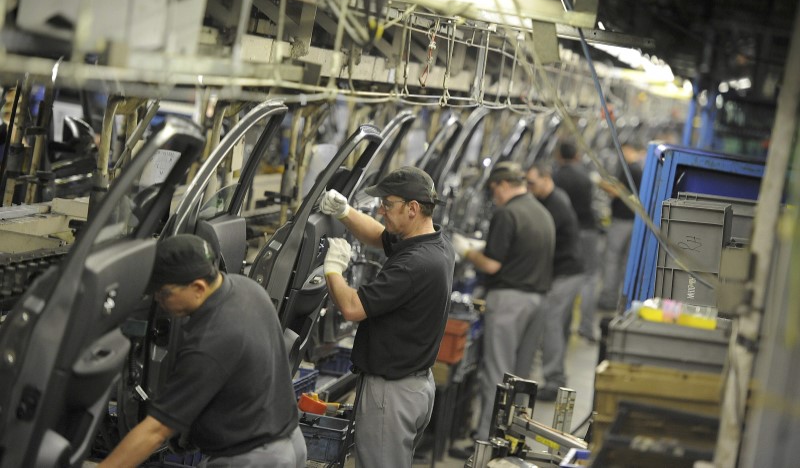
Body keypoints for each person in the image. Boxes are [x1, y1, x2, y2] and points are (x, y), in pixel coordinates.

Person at [99, 234, 305, 468]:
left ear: (197, 287)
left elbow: (154, 431)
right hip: (289, 440)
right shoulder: (247, 289)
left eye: (163, 293)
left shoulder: (211, 341)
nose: (158, 300)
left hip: (252, 458)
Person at [319, 166, 455, 468]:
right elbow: (378, 236)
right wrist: (344, 211)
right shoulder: (437, 244)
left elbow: (353, 307)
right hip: (415, 386)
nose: (381, 210)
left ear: (412, 208)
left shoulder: (414, 265)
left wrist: (333, 269)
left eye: (388, 204)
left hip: (392, 395)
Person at [451, 161, 555, 440]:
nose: (493, 196)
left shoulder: (507, 213)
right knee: (521, 379)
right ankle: (512, 440)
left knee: (496, 376)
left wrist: (467, 251)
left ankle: (486, 441)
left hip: (510, 302)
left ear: (504, 185)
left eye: (493, 189)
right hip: (538, 302)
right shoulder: (541, 212)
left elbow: (493, 265)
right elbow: (521, 251)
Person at [523, 162, 584, 401]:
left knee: (551, 324)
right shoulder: (552, 198)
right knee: (558, 325)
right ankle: (556, 376)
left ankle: (554, 379)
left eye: (532, 183)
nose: (529, 188)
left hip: (566, 273)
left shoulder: (555, 205)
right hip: (568, 271)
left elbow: (541, 240)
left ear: (546, 179)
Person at [553, 139, 601, 342]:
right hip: (588, 231)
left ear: (559, 156)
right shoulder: (586, 176)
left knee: (565, 279)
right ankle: (586, 328)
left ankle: (562, 328)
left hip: (567, 235)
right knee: (589, 279)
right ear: (576, 156)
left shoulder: (556, 177)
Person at [597, 140, 645, 311]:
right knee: (624, 262)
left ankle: (608, 299)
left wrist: (598, 182)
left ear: (627, 149)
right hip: (633, 221)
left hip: (622, 222)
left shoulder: (630, 168)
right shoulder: (638, 168)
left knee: (612, 260)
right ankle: (622, 299)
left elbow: (619, 192)